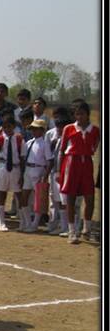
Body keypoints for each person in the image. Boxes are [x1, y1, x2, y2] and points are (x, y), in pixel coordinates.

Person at [58, 100, 99, 243]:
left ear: (88, 114)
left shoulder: (95, 130)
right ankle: (72, 231)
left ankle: (87, 229)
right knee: (71, 198)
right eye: (77, 114)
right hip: (71, 163)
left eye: (82, 114)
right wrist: (59, 171)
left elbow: (95, 146)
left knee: (90, 197)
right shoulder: (69, 128)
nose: (80, 117)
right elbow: (62, 150)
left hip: (86, 162)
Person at [0, 112, 24, 232]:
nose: (7, 129)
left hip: (15, 168)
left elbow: (22, 157)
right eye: (5, 127)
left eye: (9, 127)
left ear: (14, 126)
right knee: (2, 194)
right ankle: (1, 222)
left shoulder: (19, 139)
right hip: (2, 167)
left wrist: (22, 174)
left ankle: (23, 222)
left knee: (19, 195)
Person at [20, 118, 55, 232]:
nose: (34, 131)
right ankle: (27, 222)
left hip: (38, 169)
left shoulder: (44, 144)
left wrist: (45, 175)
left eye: (36, 129)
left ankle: (35, 223)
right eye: (33, 129)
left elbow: (50, 161)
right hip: (28, 170)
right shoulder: (29, 143)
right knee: (24, 197)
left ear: (42, 130)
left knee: (38, 199)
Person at [46, 107, 70, 235]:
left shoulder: (68, 140)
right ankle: (59, 224)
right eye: (58, 127)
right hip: (55, 172)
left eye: (62, 127)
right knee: (56, 200)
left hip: (65, 173)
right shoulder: (56, 139)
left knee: (64, 200)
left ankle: (66, 226)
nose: (59, 130)